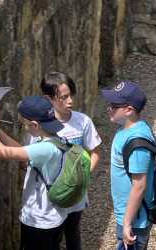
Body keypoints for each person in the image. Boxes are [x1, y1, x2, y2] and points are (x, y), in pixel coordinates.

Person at [0, 95, 68, 250]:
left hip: (39, 222)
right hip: (54, 218)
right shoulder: (56, 140)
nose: (24, 128)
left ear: (34, 124)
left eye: (24, 124)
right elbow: (22, 152)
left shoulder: (46, 148)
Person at [39, 71, 102, 250]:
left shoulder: (83, 122)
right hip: (52, 198)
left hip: (76, 196)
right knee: (53, 237)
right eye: (64, 97)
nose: (70, 101)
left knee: (73, 232)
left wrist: (82, 177)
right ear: (48, 98)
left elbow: (95, 152)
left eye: (71, 95)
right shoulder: (40, 127)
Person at [101, 80, 155, 250]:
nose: (108, 107)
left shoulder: (136, 141)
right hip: (129, 216)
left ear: (129, 110)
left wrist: (126, 223)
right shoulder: (125, 129)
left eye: (114, 105)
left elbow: (139, 186)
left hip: (135, 222)